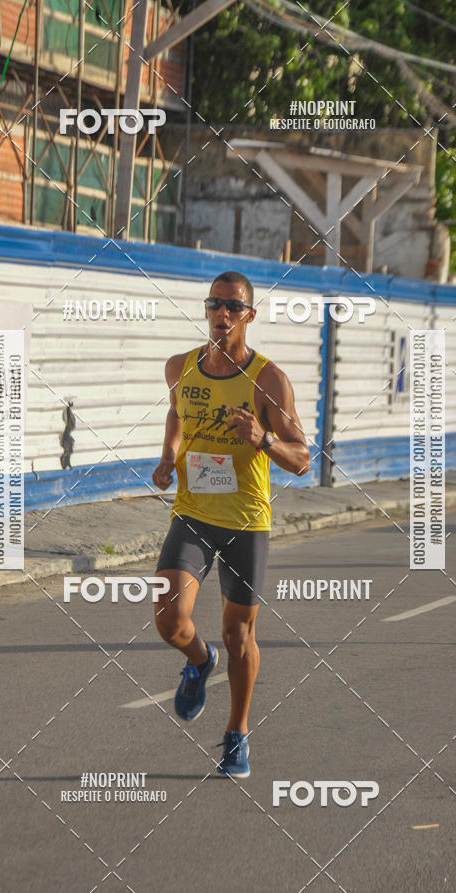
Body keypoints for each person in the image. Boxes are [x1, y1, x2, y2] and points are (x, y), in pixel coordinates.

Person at [152, 271, 310, 778]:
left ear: (249, 316)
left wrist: (263, 438)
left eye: (232, 307)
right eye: (214, 304)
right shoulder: (180, 368)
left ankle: (237, 733)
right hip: (194, 512)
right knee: (168, 617)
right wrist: (166, 457)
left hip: (246, 522)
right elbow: (177, 416)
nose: (222, 313)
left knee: (238, 633)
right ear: (206, 311)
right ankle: (199, 662)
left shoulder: (268, 380)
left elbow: (303, 458)